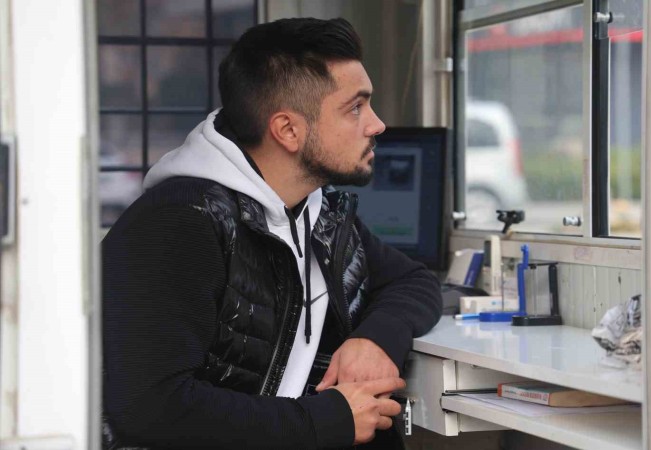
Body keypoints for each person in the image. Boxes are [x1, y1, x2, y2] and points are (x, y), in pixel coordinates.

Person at [101, 17, 442, 450]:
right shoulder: (179, 223)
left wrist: (374, 338)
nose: (377, 125)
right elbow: (148, 407)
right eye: (355, 108)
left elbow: (413, 281)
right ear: (288, 130)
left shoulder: (321, 214)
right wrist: (327, 420)